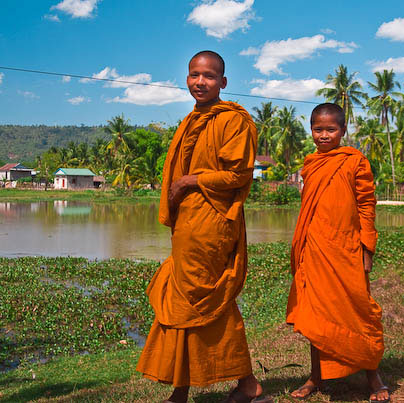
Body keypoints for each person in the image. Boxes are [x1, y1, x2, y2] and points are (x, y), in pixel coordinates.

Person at [136, 50, 272, 403]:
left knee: (205, 298)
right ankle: (202, 387)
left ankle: (225, 386)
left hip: (213, 222)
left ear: (223, 82)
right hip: (189, 223)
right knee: (189, 298)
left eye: (209, 76)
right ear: (187, 78)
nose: (201, 81)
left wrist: (187, 182)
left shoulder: (232, 120)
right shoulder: (190, 120)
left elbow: (238, 174)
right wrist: (182, 192)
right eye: (194, 74)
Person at [286, 103, 390, 402]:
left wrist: (367, 248)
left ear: (343, 130)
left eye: (331, 129)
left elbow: (366, 206)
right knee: (317, 314)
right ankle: (317, 376)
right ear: (311, 130)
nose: (323, 135)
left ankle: (373, 376)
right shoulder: (310, 164)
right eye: (318, 129)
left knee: (359, 312)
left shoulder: (354, 161)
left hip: (346, 248)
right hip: (315, 248)